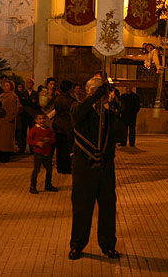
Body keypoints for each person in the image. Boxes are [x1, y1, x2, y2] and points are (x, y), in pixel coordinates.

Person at [69, 76, 120, 260]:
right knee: (82, 207)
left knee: (108, 207)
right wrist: (96, 95)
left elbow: (117, 137)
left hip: (105, 167)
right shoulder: (78, 107)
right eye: (102, 92)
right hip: (84, 166)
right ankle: (77, 245)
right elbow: (79, 115)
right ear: (92, 92)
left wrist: (116, 112)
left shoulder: (107, 113)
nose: (106, 95)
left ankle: (108, 245)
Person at [27, 111, 57, 194]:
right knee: (36, 170)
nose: (42, 120)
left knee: (49, 170)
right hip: (38, 152)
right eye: (40, 119)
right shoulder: (34, 129)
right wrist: (37, 143)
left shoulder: (48, 129)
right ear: (36, 120)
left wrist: (49, 140)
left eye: (44, 118)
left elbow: (53, 139)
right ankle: (33, 186)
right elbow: (29, 139)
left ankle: (48, 184)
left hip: (47, 152)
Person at [0, 80, 22, 162]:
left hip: (7, 121)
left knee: (6, 140)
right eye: (4, 85)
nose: (5, 87)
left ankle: (5, 156)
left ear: (11, 87)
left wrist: (10, 117)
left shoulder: (13, 96)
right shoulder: (1, 95)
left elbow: (16, 108)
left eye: (7, 85)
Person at [53, 80, 76, 174]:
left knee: (60, 148)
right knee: (67, 148)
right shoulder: (71, 101)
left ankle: (60, 167)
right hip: (67, 126)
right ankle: (66, 167)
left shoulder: (57, 99)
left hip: (58, 125)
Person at [18, 78, 40, 154]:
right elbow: (23, 102)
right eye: (27, 82)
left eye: (30, 83)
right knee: (22, 132)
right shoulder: (22, 93)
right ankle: (22, 148)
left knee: (32, 132)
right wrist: (30, 102)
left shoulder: (36, 94)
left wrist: (28, 102)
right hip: (24, 115)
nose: (28, 84)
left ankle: (32, 148)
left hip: (32, 115)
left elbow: (36, 104)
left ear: (33, 84)